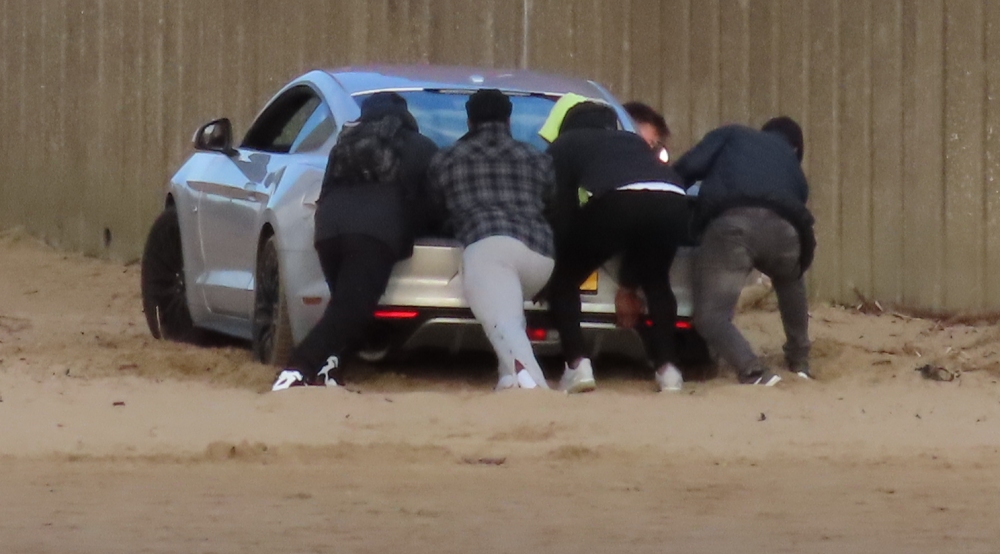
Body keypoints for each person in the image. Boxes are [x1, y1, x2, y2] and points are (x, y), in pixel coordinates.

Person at [272, 92, 438, 391]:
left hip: (328, 231)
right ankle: (298, 368)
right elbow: (433, 201)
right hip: (374, 234)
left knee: (345, 306)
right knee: (351, 311)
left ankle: (330, 370)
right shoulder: (420, 147)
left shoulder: (345, 144)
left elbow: (327, 188)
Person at [544, 101, 692, 393]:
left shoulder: (566, 144)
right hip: (674, 198)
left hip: (619, 200)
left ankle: (577, 365)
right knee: (657, 281)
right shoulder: (632, 141)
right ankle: (669, 370)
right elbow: (643, 212)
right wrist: (627, 284)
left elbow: (561, 209)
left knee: (564, 279)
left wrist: (556, 256)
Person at [428, 89, 557, 391]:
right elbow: (551, 203)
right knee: (510, 312)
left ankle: (533, 386)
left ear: (469, 121)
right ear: (509, 119)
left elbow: (434, 208)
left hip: (488, 245)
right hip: (540, 255)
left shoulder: (447, 159)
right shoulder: (535, 157)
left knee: (504, 324)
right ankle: (508, 381)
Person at [673, 116, 815, 386]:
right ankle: (800, 362)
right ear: (796, 148)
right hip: (787, 231)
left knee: (711, 316)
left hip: (732, 226)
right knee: (790, 280)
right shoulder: (794, 168)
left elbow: (688, 167)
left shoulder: (733, 134)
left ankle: (752, 370)